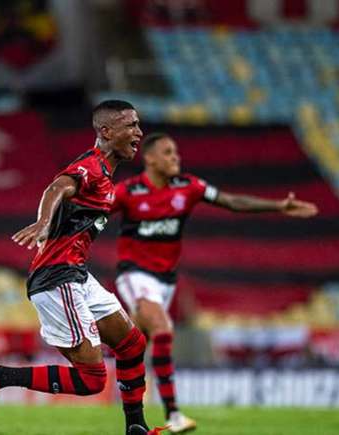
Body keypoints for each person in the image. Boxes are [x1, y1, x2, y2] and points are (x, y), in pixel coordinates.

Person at [0, 100, 166, 435]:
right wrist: (44, 223)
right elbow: (57, 187)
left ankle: (137, 428)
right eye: (131, 125)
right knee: (92, 380)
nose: (139, 132)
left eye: (138, 124)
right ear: (106, 131)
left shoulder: (106, 177)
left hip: (77, 274)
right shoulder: (91, 166)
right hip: (57, 278)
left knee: (132, 344)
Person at [111, 133, 319, 432]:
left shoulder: (189, 186)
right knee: (162, 329)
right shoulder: (128, 191)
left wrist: (278, 206)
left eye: (177, 153)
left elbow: (232, 201)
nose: (175, 158)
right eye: (168, 153)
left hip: (165, 281)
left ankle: (133, 420)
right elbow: (94, 212)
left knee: (133, 347)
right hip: (134, 274)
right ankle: (173, 414)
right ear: (151, 159)